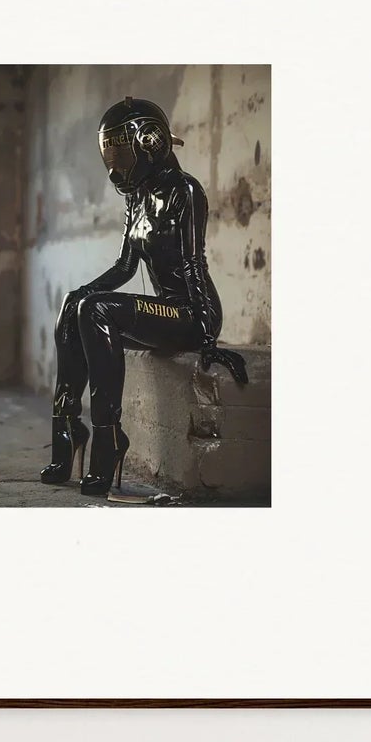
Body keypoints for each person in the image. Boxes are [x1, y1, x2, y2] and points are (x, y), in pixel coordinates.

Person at [39, 97, 248, 501]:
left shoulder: (186, 191)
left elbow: (191, 264)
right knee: (74, 302)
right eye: (109, 152)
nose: (114, 164)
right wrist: (83, 293)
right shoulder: (136, 196)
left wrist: (207, 335)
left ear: (149, 143)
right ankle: (66, 430)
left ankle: (108, 438)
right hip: (160, 312)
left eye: (120, 151)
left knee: (96, 307)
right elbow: (124, 267)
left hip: (190, 313)